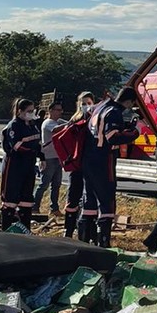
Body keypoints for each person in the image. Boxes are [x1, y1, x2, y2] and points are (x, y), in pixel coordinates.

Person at [79, 87, 139, 247]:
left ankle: (84, 240)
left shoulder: (101, 108)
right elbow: (112, 137)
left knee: (89, 201)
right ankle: (104, 242)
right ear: (129, 101)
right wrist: (133, 133)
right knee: (107, 201)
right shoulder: (114, 112)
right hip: (103, 160)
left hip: (89, 158)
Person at [0, 98, 42, 230]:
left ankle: (25, 230)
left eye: (32, 110)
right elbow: (16, 146)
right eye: (28, 111)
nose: (31, 113)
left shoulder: (32, 125)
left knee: (27, 200)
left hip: (29, 165)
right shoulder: (14, 125)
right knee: (10, 200)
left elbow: (38, 143)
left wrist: (42, 157)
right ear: (20, 111)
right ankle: (6, 229)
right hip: (14, 165)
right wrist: (32, 151)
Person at [63, 91, 94, 238]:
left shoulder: (95, 119)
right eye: (83, 103)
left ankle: (85, 231)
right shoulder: (74, 120)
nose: (86, 106)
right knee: (73, 197)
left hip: (89, 164)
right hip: (76, 164)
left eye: (88, 103)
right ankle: (68, 230)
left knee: (88, 198)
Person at [33, 101, 66, 215]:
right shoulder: (47, 123)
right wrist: (71, 123)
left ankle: (54, 208)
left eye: (61, 110)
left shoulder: (58, 122)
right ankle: (35, 206)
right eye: (57, 110)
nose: (60, 112)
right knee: (44, 184)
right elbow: (57, 129)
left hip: (57, 157)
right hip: (48, 157)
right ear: (50, 111)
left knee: (56, 184)